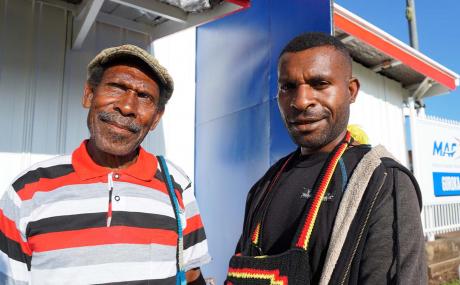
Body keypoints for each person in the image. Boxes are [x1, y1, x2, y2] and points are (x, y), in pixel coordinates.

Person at [226, 33, 426, 284]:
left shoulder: (382, 181)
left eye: (319, 83)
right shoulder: (265, 185)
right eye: (287, 87)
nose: (300, 101)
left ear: (351, 91)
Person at [0, 44, 210, 284]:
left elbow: (192, 276)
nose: (127, 107)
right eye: (117, 87)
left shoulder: (176, 186)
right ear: (89, 95)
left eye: (144, 97)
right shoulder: (27, 190)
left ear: (156, 119)